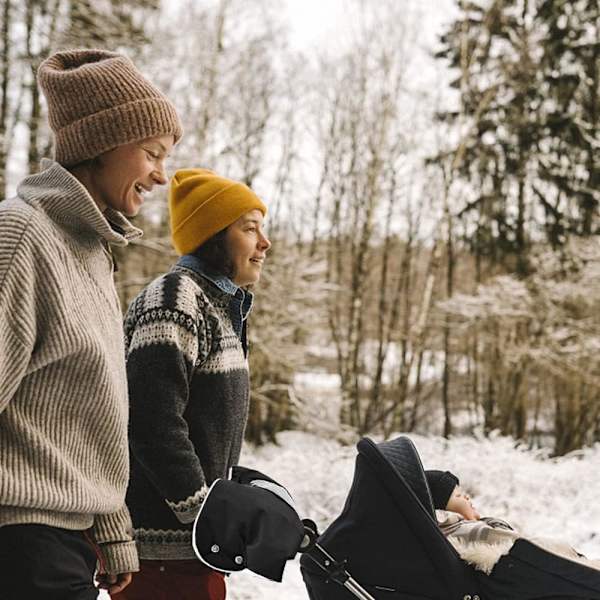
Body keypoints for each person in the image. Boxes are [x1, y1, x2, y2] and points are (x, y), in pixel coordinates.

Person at [0, 48, 182, 600]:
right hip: (22, 544)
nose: (160, 174)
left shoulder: (94, 253)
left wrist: (111, 528)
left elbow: (86, 413)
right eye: (152, 152)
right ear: (102, 144)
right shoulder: (22, 236)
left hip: (67, 544)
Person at [114, 168, 272, 599]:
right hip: (161, 551)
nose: (265, 243)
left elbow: (205, 426)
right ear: (214, 235)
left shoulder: (217, 308)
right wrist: (203, 510)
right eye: (250, 229)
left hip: (193, 549)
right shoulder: (173, 300)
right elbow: (152, 422)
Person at [425, 469, 599, 573]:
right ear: (442, 511)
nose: (467, 497)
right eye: (458, 495)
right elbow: (524, 546)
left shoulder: (454, 531)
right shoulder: (466, 531)